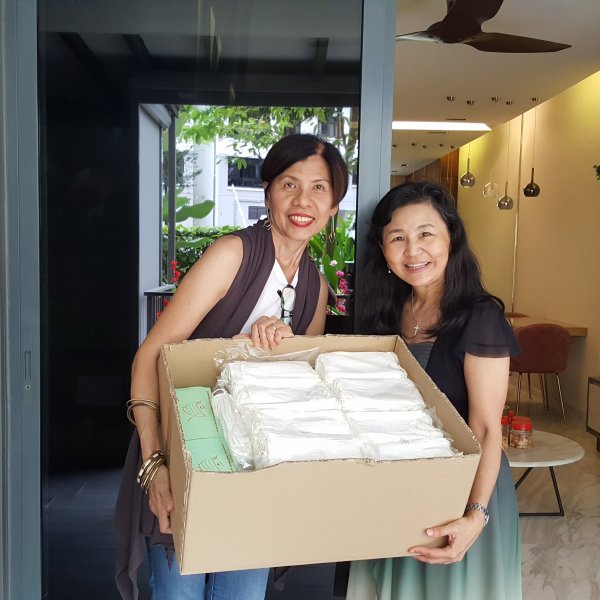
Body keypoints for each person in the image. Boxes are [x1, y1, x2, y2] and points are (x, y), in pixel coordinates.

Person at [114, 133, 349, 600]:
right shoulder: (233, 255)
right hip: (185, 453)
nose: (303, 201)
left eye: (319, 188)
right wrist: (155, 465)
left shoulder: (315, 287)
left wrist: (279, 350)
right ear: (268, 192)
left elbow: (301, 388)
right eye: (289, 184)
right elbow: (151, 355)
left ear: (334, 206)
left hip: (254, 467)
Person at [347, 181, 522, 600]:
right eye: (397, 238)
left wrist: (475, 515)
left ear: (451, 239)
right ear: (382, 249)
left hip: (464, 494)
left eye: (426, 233)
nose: (413, 250)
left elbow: (486, 427)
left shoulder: (480, 317)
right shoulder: (385, 314)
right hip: (396, 486)